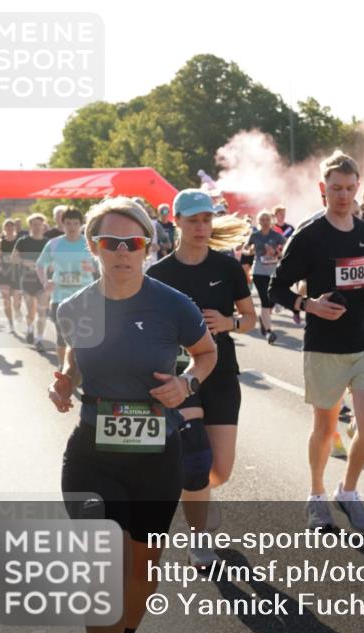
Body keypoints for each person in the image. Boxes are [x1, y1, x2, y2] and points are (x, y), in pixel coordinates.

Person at [49, 196, 217, 633]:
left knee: (143, 568)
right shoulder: (74, 307)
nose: (123, 251)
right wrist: (64, 382)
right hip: (92, 456)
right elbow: (75, 357)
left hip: (156, 456)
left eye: (133, 243)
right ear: (93, 247)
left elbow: (207, 353)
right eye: (111, 242)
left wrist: (186, 383)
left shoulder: (173, 304)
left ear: (147, 246)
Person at [269, 150, 364, 532]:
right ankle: (317, 495)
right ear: (323, 188)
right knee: (325, 428)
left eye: (350, 188)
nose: (343, 195)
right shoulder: (309, 236)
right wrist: (310, 305)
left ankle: (348, 491)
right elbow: (275, 287)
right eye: (336, 188)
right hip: (324, 347)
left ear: (358, 188)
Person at [147, 189, 256, 568]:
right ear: (175, 221)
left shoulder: (227, 268)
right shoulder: (158, 275)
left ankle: (200, 498)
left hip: (222, 373)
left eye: (207, 220)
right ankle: (198, 540)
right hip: (179, 375)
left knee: (219, 470)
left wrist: (229, 323)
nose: (201, 227)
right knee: (194, 459)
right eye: (193, 220)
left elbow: (250, 318)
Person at [36, 206, 97, 368]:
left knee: (84, 336)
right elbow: (40, 265)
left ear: (81, 225)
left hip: (85, 296)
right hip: (60, 297)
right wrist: (45, 282)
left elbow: (102, 265)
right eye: (68, 223)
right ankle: (63, 368)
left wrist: (93, 268)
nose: (72, 227)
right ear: (62, 224)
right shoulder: (54, 244)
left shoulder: (89, 243)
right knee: (62, 336)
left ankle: (81, 368)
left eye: (75, 223)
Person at [245, 210, 286, 343]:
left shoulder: (276, 236)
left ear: (271, 221)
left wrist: (276, 252)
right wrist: (250, 251)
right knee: (265, 299)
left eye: (267, 219)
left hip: (273, 271)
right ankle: (269, 332)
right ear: (258, 221)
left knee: (272, 298)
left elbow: (286, 249)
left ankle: (264, 319)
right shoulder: (255, 235)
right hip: (259, 271)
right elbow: (245, 249)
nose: (265, 222)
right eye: (262, 219)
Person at [13, 213, 52, 349]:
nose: (37, 227)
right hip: (27, 281)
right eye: (34, 225)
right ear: (30, 226)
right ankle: (30, 329)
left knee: (42, 311)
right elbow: (13, 258)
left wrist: (49, 266)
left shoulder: (48, 242)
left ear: (43, 226)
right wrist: (25, 262)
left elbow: (54, 260)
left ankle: (39, 339)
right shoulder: (22, 241)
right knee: (31, 311)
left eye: (39, 225)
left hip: (43, 281)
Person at [0, 219, 22, 333]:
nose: (9, 228)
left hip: (17, 273)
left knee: (16, 301)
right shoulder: (0, 242)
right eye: (7, 226)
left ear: (14, 228)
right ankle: (11, 324)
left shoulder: (20, 241)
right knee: (6, 300)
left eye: (11, 226)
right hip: (4, 273)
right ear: (4, 228)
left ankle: (17, 310)